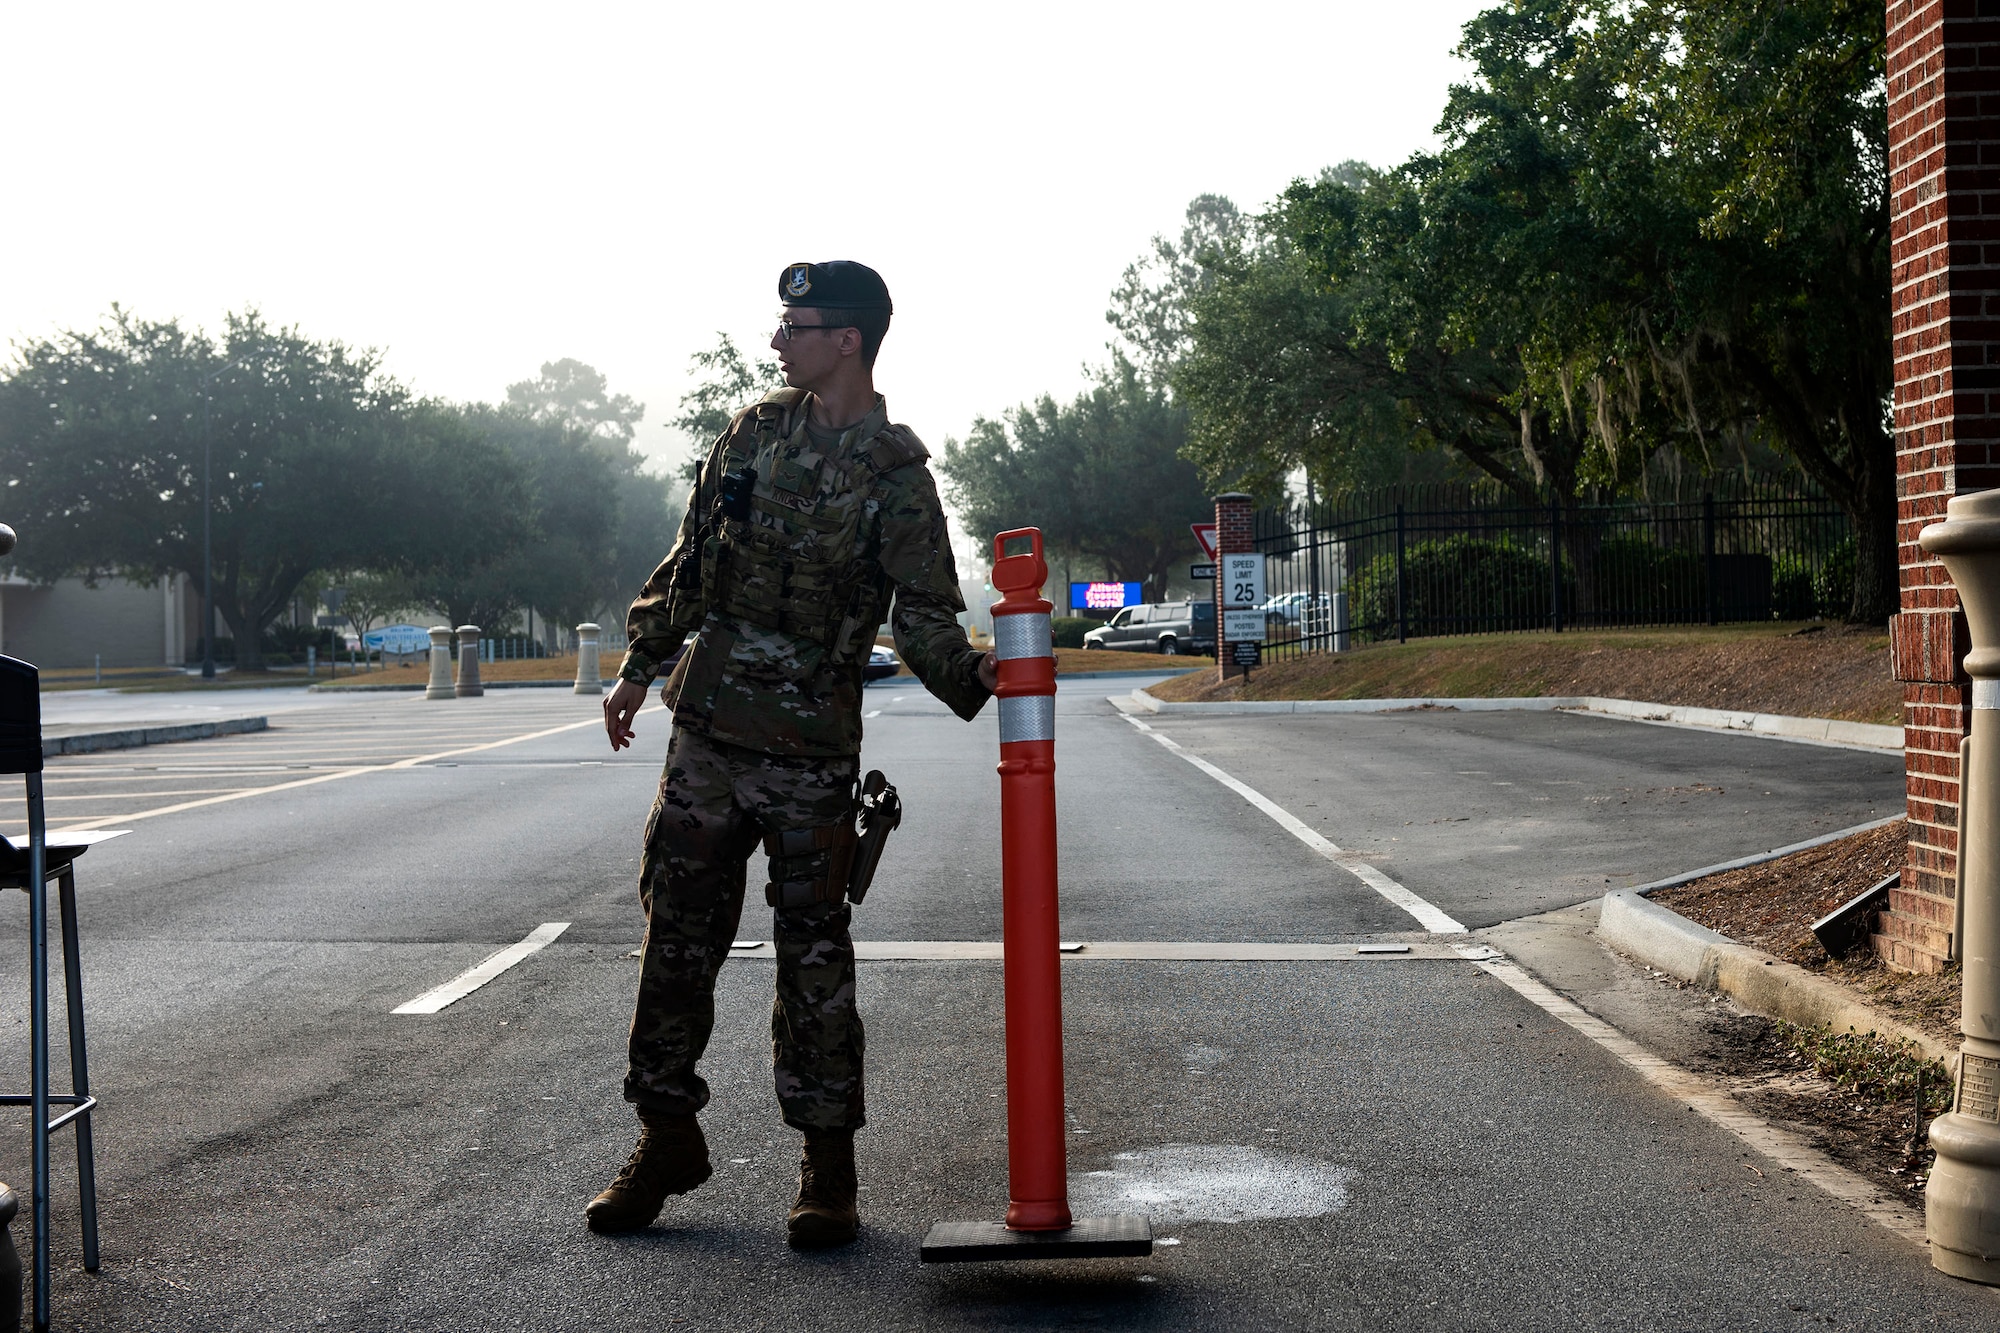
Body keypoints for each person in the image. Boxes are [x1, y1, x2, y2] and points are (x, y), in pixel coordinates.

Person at [587, 261, 998, 1248]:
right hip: (707, 735)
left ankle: (827, 1164)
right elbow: (692, 556)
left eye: (795, 326)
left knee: (812, 959)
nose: (778, 342)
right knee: (674, 943)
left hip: (809, 750)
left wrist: (986, 680)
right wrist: (639, 663)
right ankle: (665, 1134)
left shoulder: (896, 475)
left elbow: (925, 616)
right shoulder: (753, 432)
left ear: (845, 340)